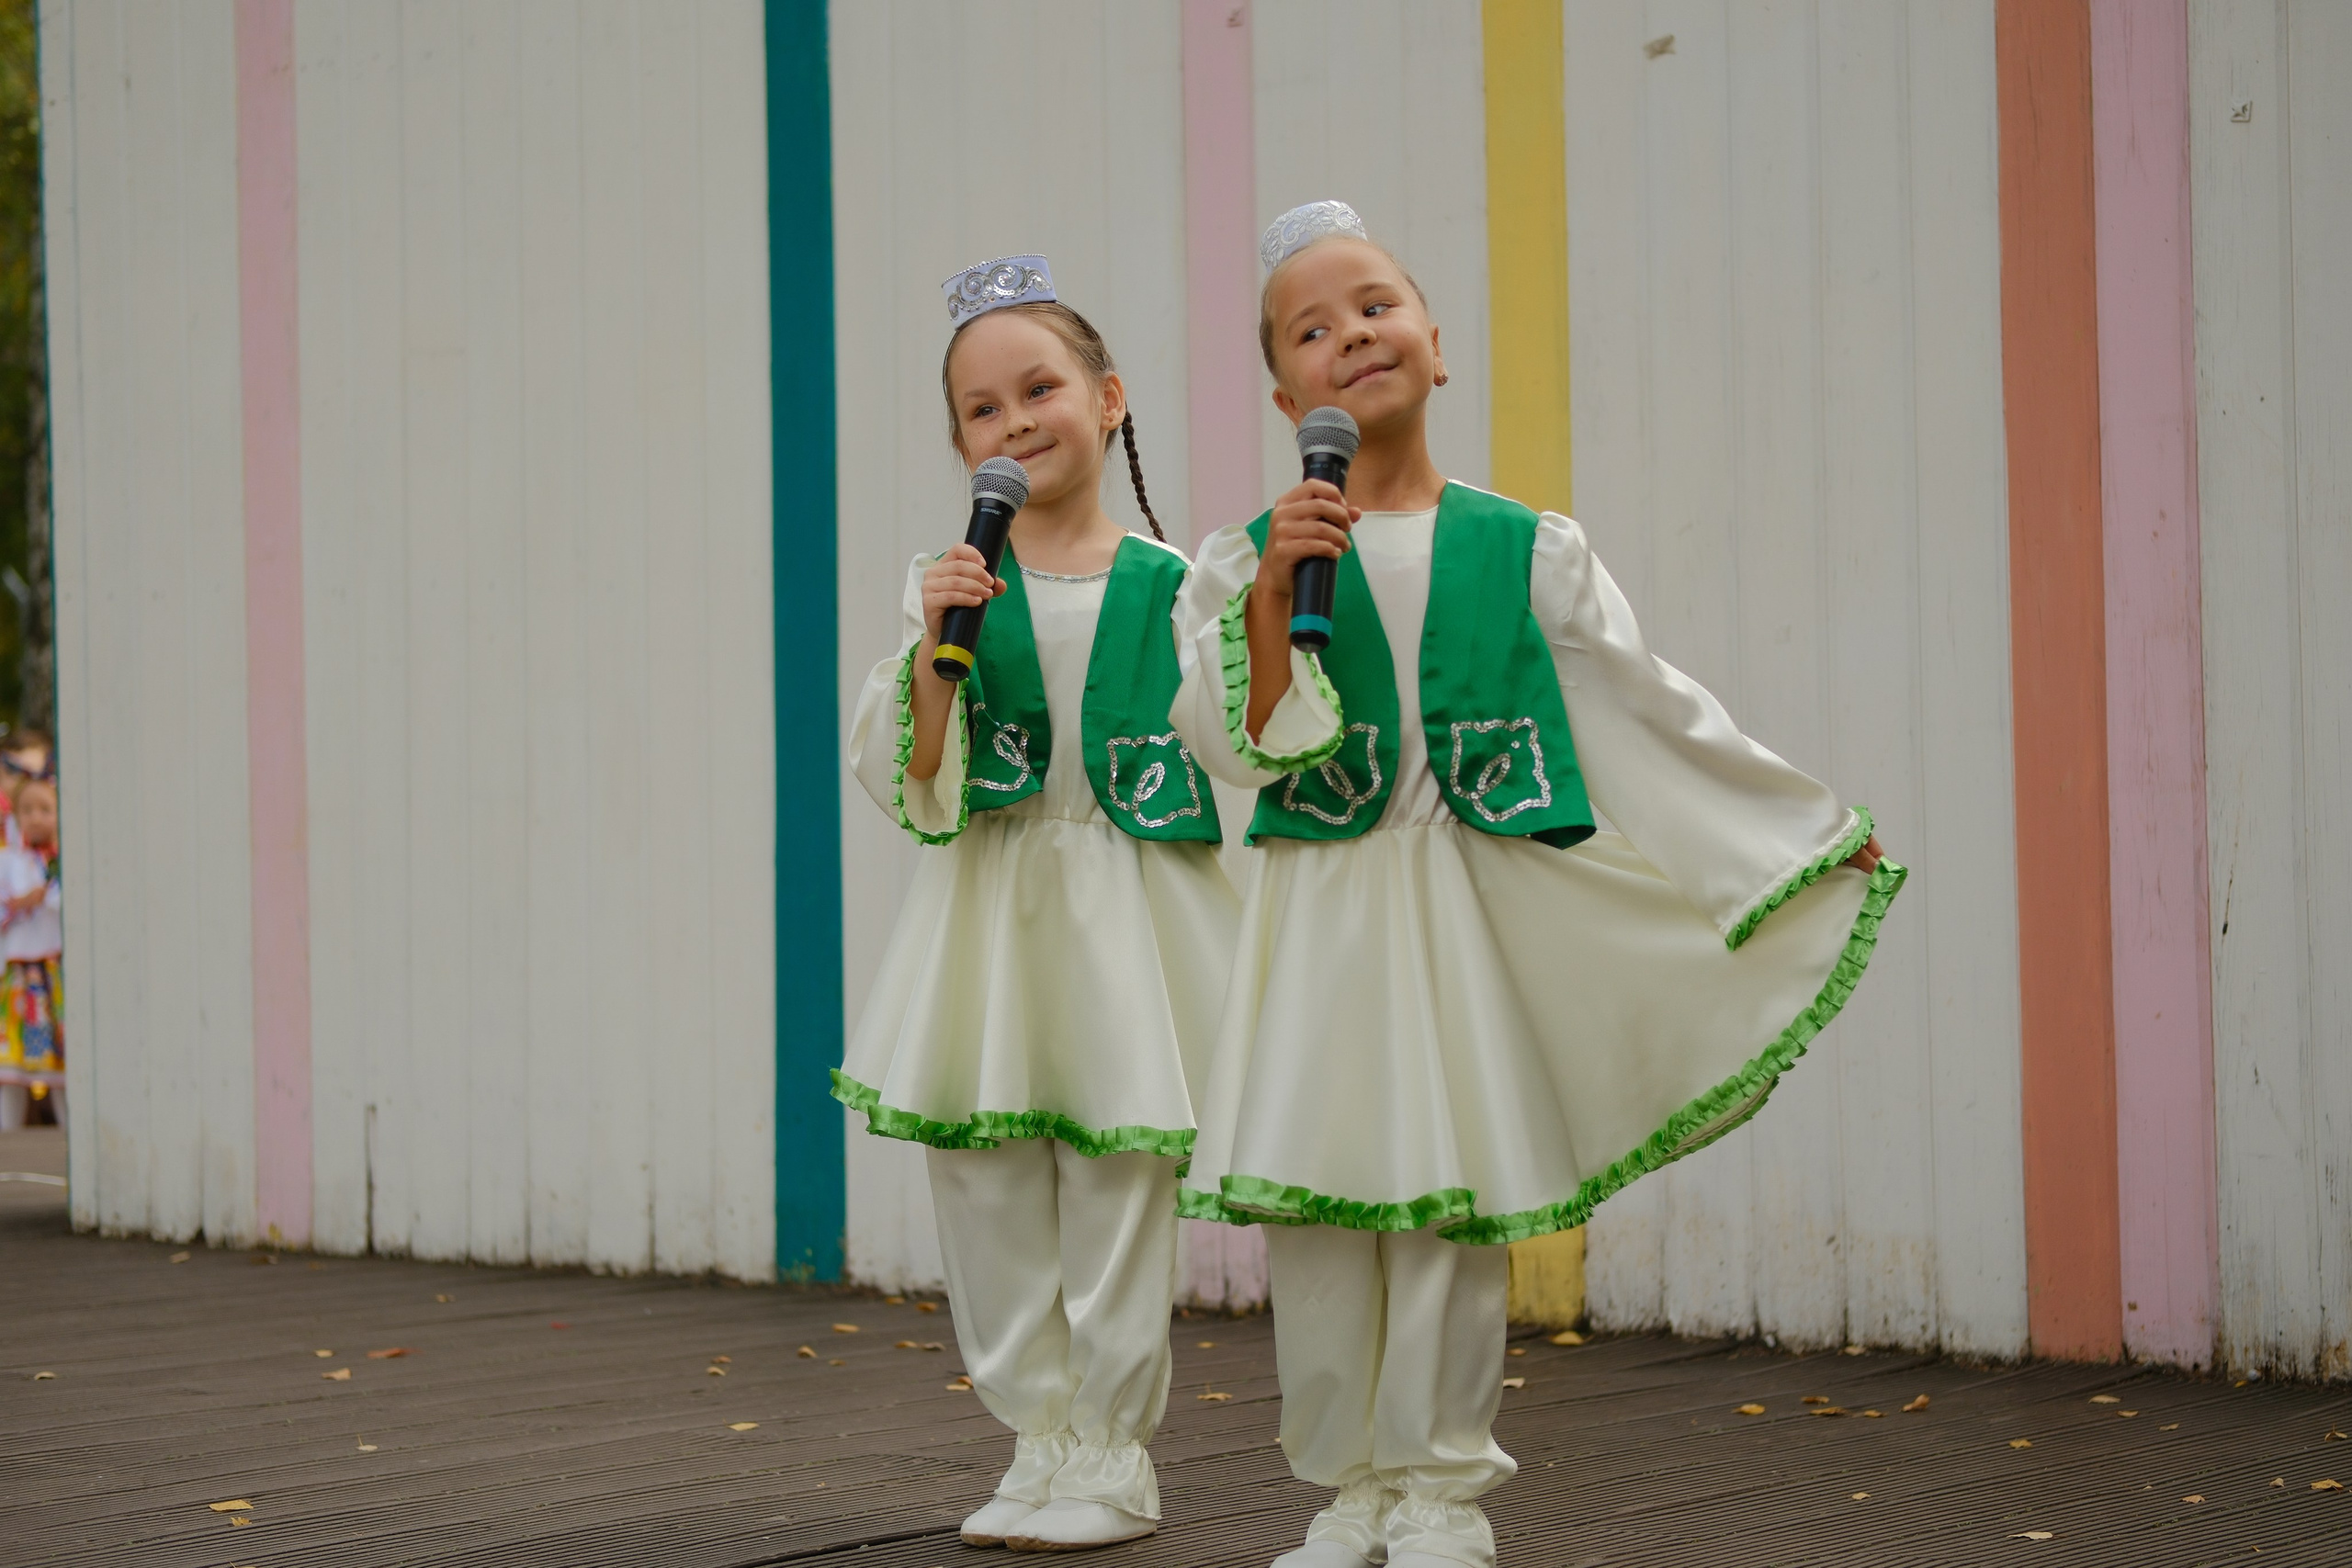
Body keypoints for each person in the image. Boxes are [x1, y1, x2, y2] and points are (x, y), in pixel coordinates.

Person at [1170, 202, 1907, 1568]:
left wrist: (1788, 837)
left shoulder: (1527, 551)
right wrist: (1274, 596)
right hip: (1317, 927)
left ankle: (1443, 1491)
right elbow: (1221, 741)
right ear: (1286, 396)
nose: (1352, 338)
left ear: (1437, 343)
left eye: (1376, 306)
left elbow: (1647, 715)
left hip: (1459, 926)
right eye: (1312, 329)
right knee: (1323, 1213)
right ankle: (1349, 1489)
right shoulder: (1239, 562)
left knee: (1447, 1209)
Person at [836, 256, 1239, 1552]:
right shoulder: (953, 579)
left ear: (1109, 398)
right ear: (961, 442)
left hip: (1123, 902)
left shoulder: (1178, 585)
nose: (1014, 423)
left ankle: (1112, 1453)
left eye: (1040, 388)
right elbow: (911, 768)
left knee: (1116, 1171)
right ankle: (1039, 1435)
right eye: (981, 408)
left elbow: (1230, 733)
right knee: (990, 1175)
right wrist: (932, 650)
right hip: (994, 902)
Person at [0, 773, 61, 1131]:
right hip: (20, 974)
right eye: (27, 810)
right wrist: (21, 904)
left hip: (56, 973)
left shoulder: (60, 864)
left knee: (62, 1064)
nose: (36, 817)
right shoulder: (9, 862)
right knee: (10, 1068)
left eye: (45, 809)